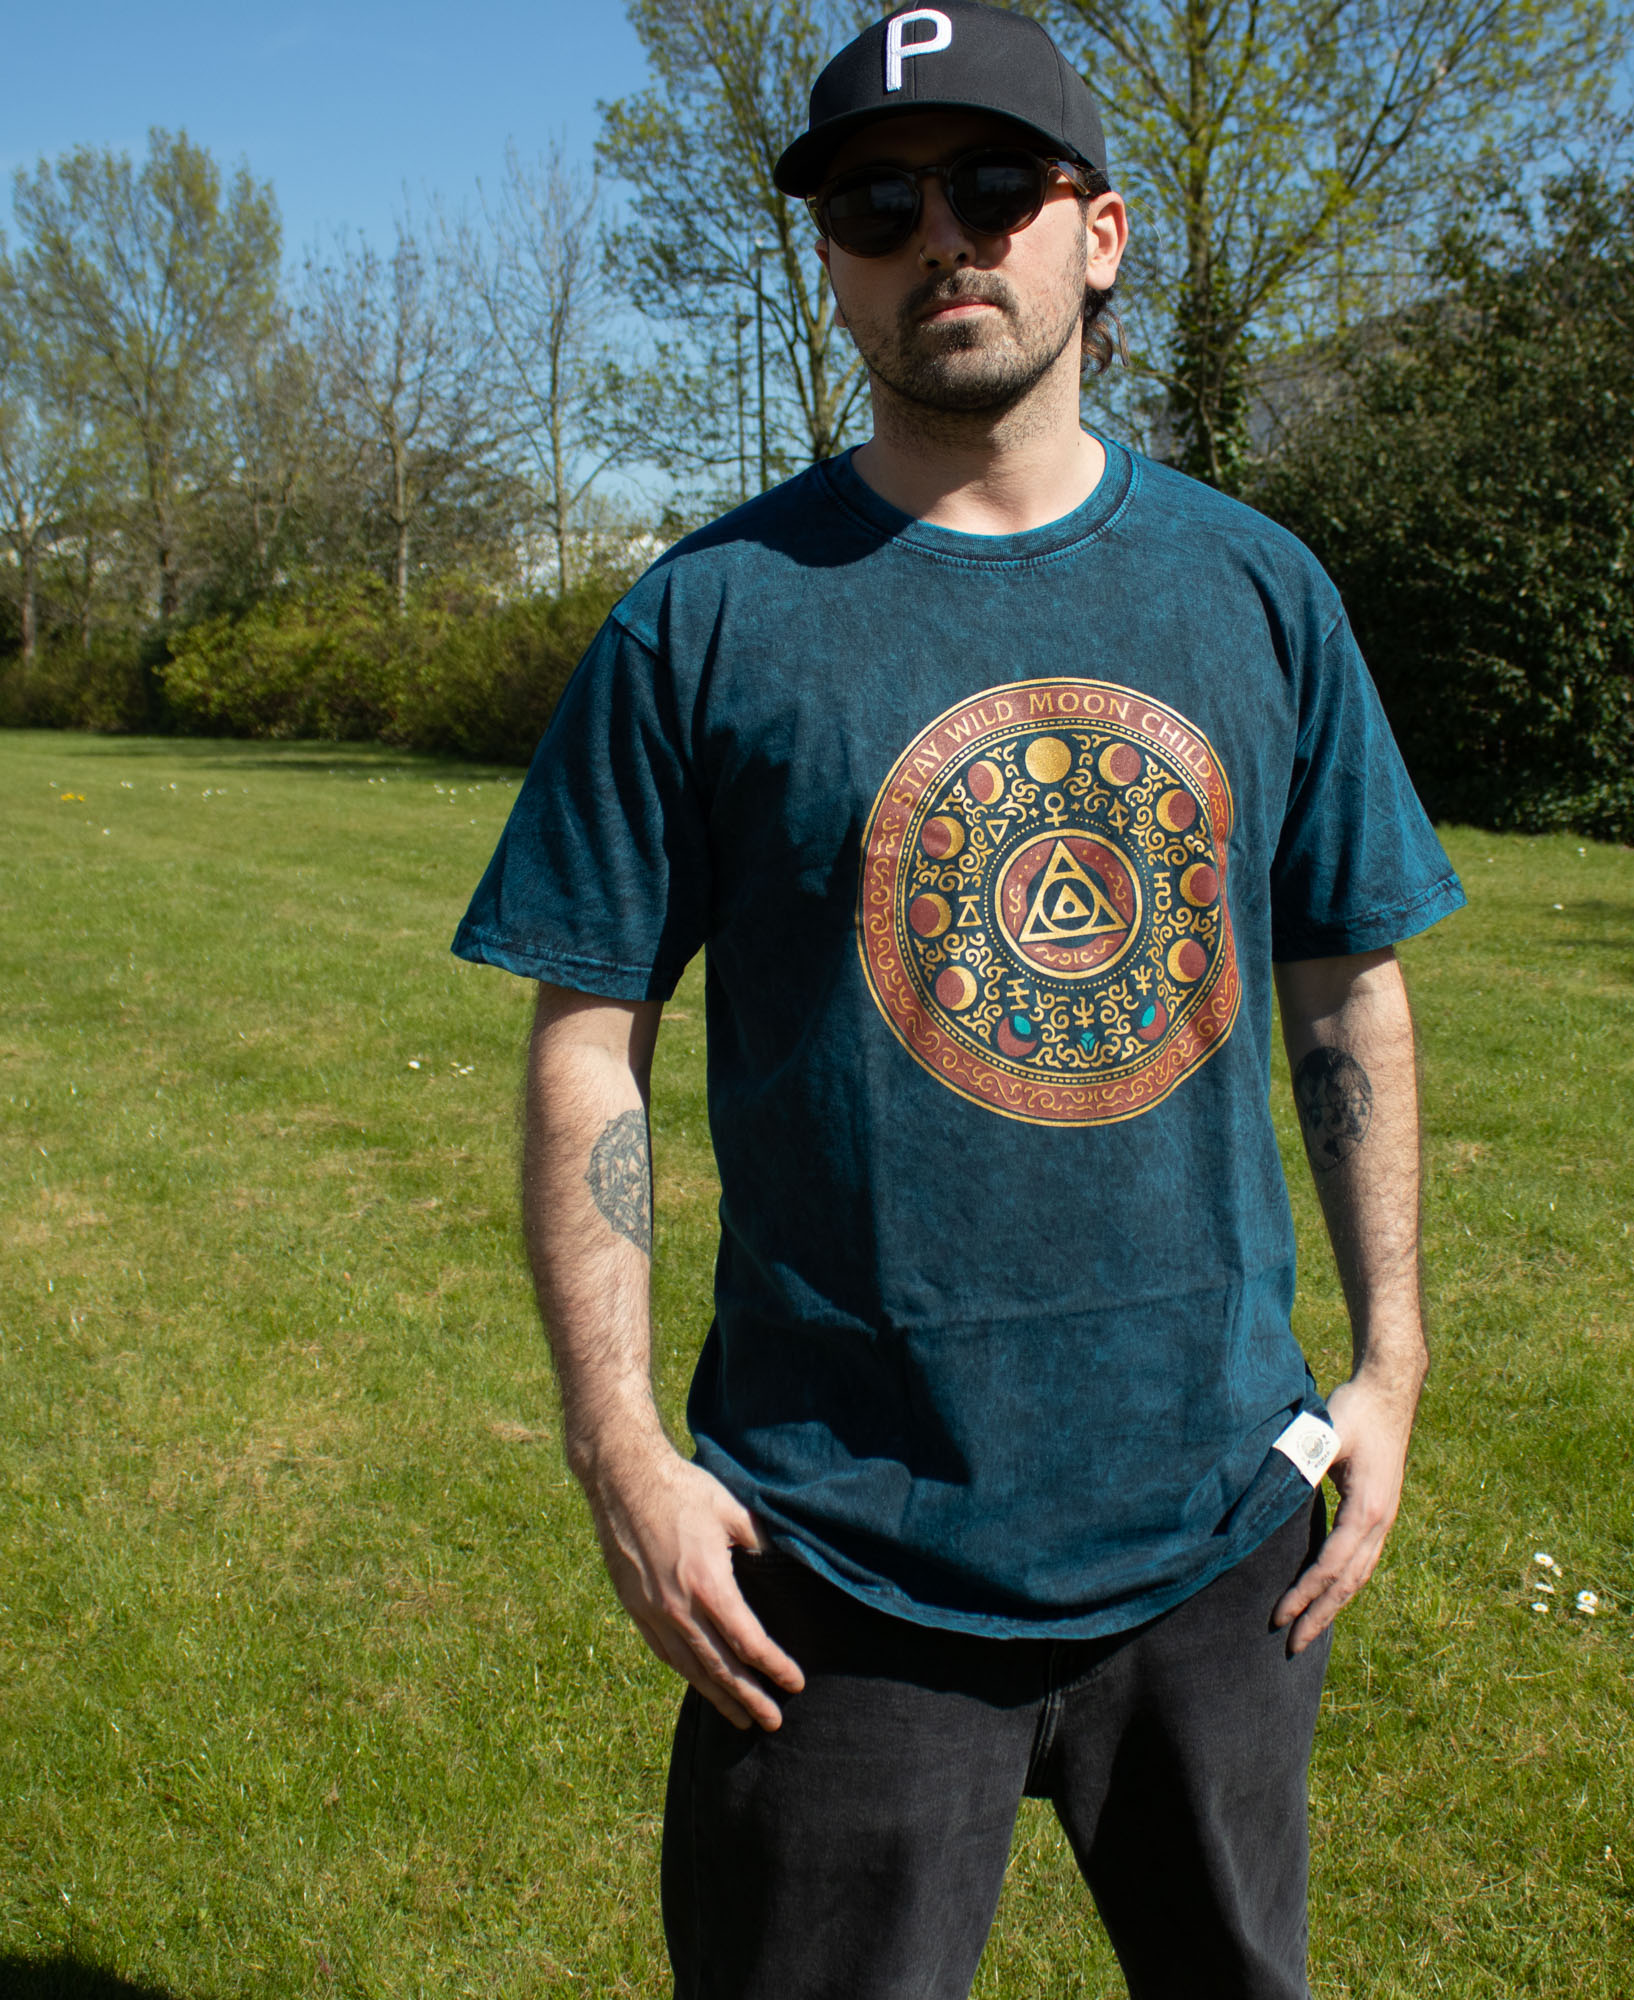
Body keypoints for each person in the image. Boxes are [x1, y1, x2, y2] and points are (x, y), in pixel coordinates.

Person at [452, 4, 1465, 1991]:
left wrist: (1395, 1365)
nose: (942, 238)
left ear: (1100, 230)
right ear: (832, 262)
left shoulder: (1259, 593)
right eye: (877, 205)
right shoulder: (702, 622)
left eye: (995, 186)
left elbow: (1350, 995)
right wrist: (618, 1449)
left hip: (1219, 1530)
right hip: (833, 1561)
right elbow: (590, 1042)